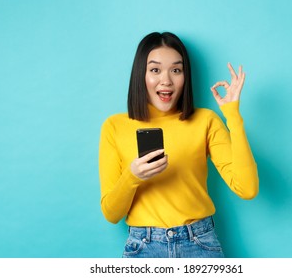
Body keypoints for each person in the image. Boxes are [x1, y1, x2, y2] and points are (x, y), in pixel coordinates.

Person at [99, 32, 259, 258]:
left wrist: (232, 115)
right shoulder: (114, 126)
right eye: (155, 70)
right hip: (144, 247)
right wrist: (132, 176)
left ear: (185, 76)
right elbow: (111, 213)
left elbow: (248, 188)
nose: (166, 80)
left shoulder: (205, 120)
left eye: (176, 70)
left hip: (200, 243)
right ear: (140, 74)